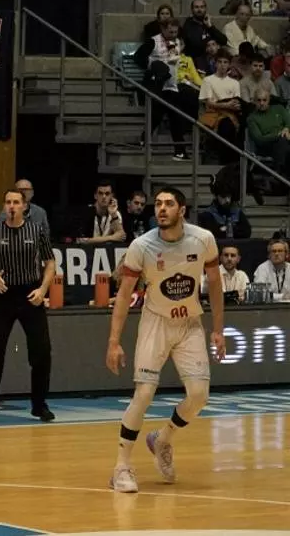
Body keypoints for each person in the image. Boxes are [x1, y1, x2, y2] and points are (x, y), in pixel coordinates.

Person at [106, 186, 225, 494]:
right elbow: (123, 295)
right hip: (155, 322)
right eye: (158, 203)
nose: (161, 208)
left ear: (181, 210)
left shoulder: (203, 239)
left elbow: (215, 284)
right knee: (144, 393)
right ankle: (121, 467)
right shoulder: (142, 245)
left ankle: (162, 440)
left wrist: (218, 329)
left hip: (190, 323)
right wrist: (114, 341)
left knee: (199, 396)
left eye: (169, 204)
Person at [0, 189, 56, 424]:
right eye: (8, 202)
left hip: (30, 293)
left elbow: (50, 262)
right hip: (4, 293)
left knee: (41, 352)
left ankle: (40, 405)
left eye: (16, 202)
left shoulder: (36, 230)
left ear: (24, 207)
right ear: (4, 206)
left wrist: (43, 289)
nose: (12, 206)